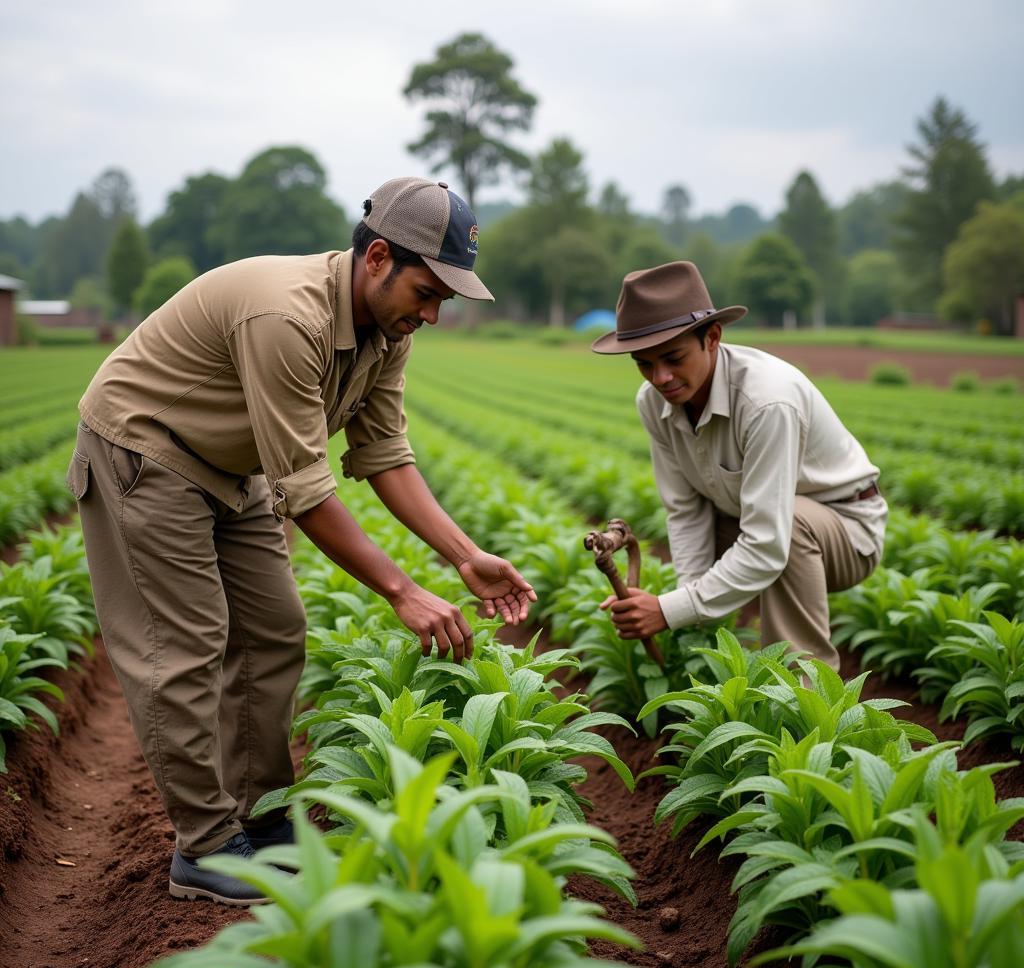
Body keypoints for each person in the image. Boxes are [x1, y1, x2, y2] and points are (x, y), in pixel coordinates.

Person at [67, 177, 536, 906]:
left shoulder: (388, 331)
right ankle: (207, 844)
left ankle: (264, 819)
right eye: (428, 291)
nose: (435, 314)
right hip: (145, 451)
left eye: (446, 298)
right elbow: (308, 491)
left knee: (276, 628)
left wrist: (462, 554)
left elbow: (383, 452)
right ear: (377, 256)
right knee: (185, 646)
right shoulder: (288, 316)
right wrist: (403, 593)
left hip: (232, 464)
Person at [592, 261, 886, 671]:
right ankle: (708, 669)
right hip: (747, 516)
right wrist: (688, 608)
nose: (660, 377)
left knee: (790, 524)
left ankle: (806, 689)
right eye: (644, 363)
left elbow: (767, 542)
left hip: (846, 530)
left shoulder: (768, 402)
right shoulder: (653, 401)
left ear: (712, 338)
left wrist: (669, 609)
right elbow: (686, 508)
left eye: (673, 358)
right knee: (706, 579)